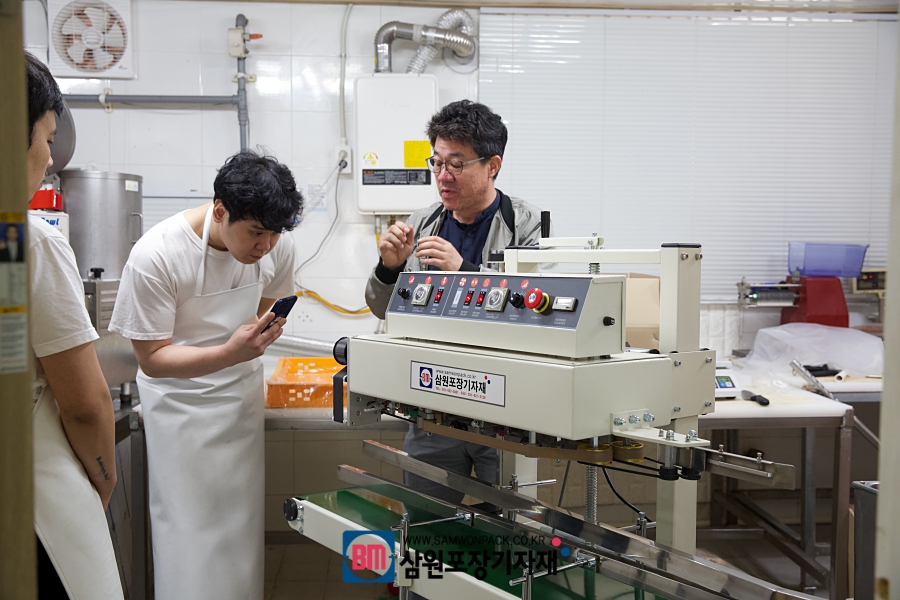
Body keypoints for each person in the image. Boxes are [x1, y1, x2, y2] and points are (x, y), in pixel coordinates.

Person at [109, 150, 302, 600]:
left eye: (275, 234)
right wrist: (230, 352)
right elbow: (152, 358)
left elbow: (263, 309)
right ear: (219, 211)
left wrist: (245, 345)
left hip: (239, 404)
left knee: (239, 532)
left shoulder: (277, 245)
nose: (266, 246)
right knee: (188, 534)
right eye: (255, 232)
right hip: (179, 411)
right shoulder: (157, 255)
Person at [364, 100, 547, 504]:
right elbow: (383, 309)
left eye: (457, 164)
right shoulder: (423, 221)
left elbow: (537, 312)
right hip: (434, 408)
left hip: (505, 413)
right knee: (427, 520)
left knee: (511, 523)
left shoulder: (527, 224)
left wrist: (464, 270)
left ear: (492, 165)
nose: (443, 176)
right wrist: (389, 268)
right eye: (437, 162)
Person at [24, 52, 124, 600]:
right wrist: (101, 484)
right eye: (46, 138)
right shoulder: (29, 242)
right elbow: (85, 404)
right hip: (36, 501)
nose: (48, 158)